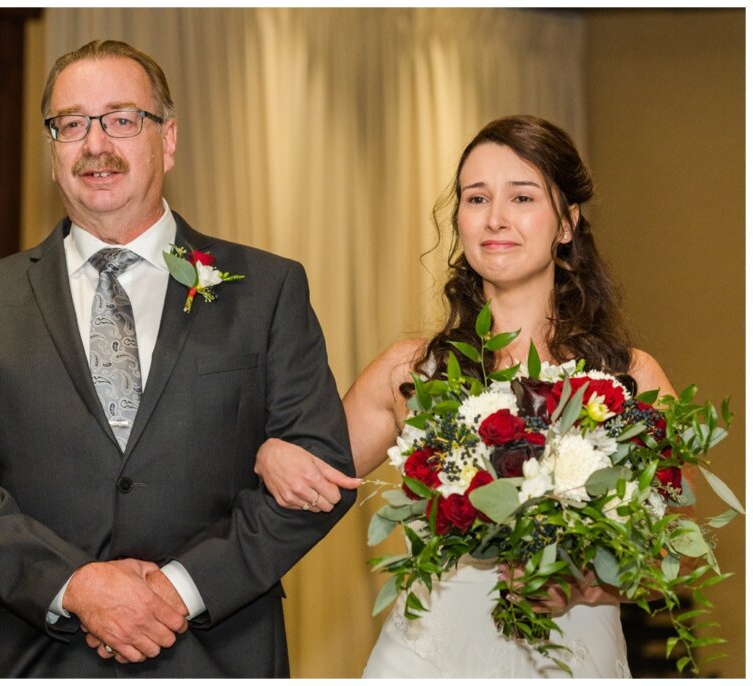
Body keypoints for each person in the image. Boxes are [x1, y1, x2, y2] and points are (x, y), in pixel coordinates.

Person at [0, 39, 355, 678]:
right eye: (73, 124)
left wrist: (181, 588)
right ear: (54, 147)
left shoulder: (263, 289)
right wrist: (79, 588)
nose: (96, 144)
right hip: (41, 656)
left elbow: (320, 471)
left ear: (167, 140)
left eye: (122, 119)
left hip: (218, 652)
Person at [254, 115, 676, 678]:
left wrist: (585, 585)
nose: (495, 218)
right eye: (477, 198)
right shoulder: (408, 373)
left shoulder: (631, 380)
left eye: (521, 197)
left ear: (567, 224)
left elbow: (678, 555)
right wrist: (268, 455)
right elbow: (309, 482)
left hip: (571, 659)